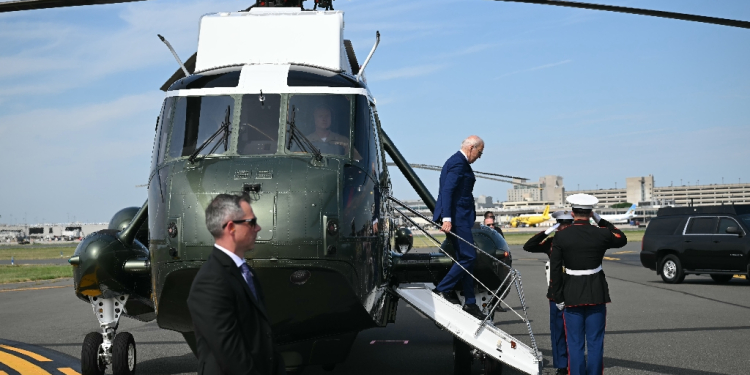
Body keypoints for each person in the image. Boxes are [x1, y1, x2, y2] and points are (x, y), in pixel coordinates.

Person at [187, 194, 286, 375]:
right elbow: (232, 357)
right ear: (231, 227)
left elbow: (265, 336)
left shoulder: (246, 272)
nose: (258, 228)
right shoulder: (210, 282)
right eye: (251, 222)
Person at [550, 194, 627, 375]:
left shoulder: (561, 236)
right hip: (596, 292)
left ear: (572, 212)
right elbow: (621, 238)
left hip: (571, 293)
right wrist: (600, 220)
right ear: (591, 212)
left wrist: (558, 297)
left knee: (575, 343)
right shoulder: (601, 233)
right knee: (595, 342)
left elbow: (555, 270)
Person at [432, 135, 485, 320]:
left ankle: (470, 302)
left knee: (464, 258)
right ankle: (442, 289)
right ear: (472, 148)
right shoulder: (458, 163)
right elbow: (447, 190)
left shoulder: (458, 162)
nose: (479, 156)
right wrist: (447, 218)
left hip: (459, 217)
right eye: (480, 152)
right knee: (469, 257)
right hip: (456, 218)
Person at [523, 210, 574, 375]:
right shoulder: (551, 242)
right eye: (560, 225)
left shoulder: (578, 241)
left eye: (566, 224)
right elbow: (528, 246)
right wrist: (547, 231)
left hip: (575, 291)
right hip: (555, 293)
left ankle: (575, 363)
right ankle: (561, 365)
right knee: (557, 331)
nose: (563, 228)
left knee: (575, 331)